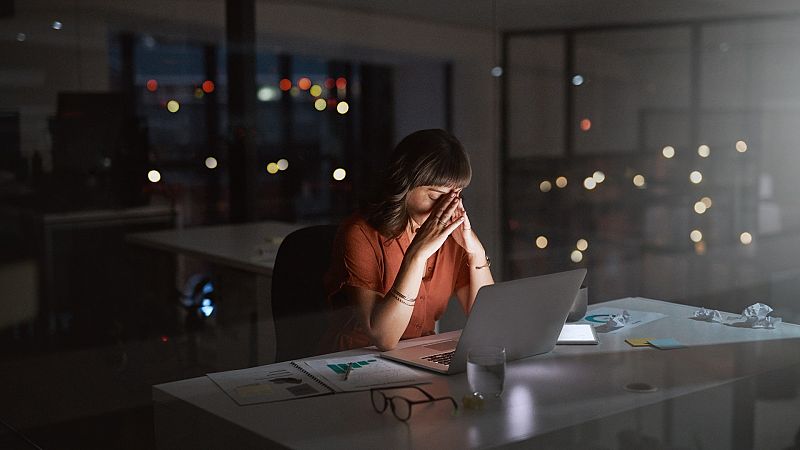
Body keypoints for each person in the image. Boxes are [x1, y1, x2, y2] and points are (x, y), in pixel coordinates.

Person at [321, 129, 494, 352]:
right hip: (353, 362)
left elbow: (488, 320)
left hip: (416, 356)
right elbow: (383, 338)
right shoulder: (359, 234)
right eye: (435, 196)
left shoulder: (452, 239)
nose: (446, 207)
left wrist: (475, 251)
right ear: (404, 184)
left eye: (456, 195)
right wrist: (418, 254)